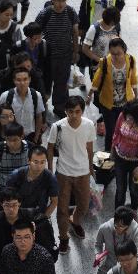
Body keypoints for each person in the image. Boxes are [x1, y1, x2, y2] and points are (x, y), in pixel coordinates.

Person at [46, 96, 95, 254]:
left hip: (83, 172)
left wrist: (90, 166)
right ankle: (63, 238)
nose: (74, 115)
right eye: (70, 112)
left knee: (84, 205)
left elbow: (89, 147)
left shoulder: (88, 125)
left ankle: (75, 221)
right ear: (66, 111)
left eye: (77, 111)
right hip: (63, 173)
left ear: (82, 111)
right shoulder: (58, 127)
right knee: (62, 208)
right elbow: (50, 148)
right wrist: (50, 170)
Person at [34, 0, 79, 118]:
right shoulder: (45, 14)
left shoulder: (70, 12)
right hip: (48, 57)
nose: (61, 4)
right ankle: (42, 106)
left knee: (61, 83)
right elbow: (35, 33)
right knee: (45, 82)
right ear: (52, 0)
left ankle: (60, 107)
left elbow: (75, 33)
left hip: (65, 55)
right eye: (58, 0)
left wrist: (75, 52)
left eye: (64, 0)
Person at [88, 38, 138, 154]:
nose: (116, 56)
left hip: (125, 103)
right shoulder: (105, 62)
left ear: (124, 51)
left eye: (119, 53)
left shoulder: (130, 60)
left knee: (123, 129)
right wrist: (89, 95)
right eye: (113, 53)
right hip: (108, 104)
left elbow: (134, 79)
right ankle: (108, 155)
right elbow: (97, 80)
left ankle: (120, 152)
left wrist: (136, 96)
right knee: (110, 131)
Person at [111, 99, 138, 211]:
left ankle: (133, 210)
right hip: (120, 157)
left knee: (133, 188)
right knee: (120, 188)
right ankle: (118, 211)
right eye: (127, 117)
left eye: (131, 118)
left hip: (136, 162)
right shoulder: (123, 115)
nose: (128, 119)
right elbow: (116, 132)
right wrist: (112, 150)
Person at [0, 124, 29, 210]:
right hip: (2, 193)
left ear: (22, 137)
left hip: (23, 193)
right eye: (8, 140)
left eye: (15, 140)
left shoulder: (29, 148)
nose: (11, 143)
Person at [0, 68, 45, 144]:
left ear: (29, 79)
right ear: (14, 81)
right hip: (11, 136)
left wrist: (36, 137)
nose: (22, 83)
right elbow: (1, 117)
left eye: (25, 79)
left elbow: (39, 116)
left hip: (30, 136)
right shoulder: (5, 96)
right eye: (19, 80)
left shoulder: (36, 95)